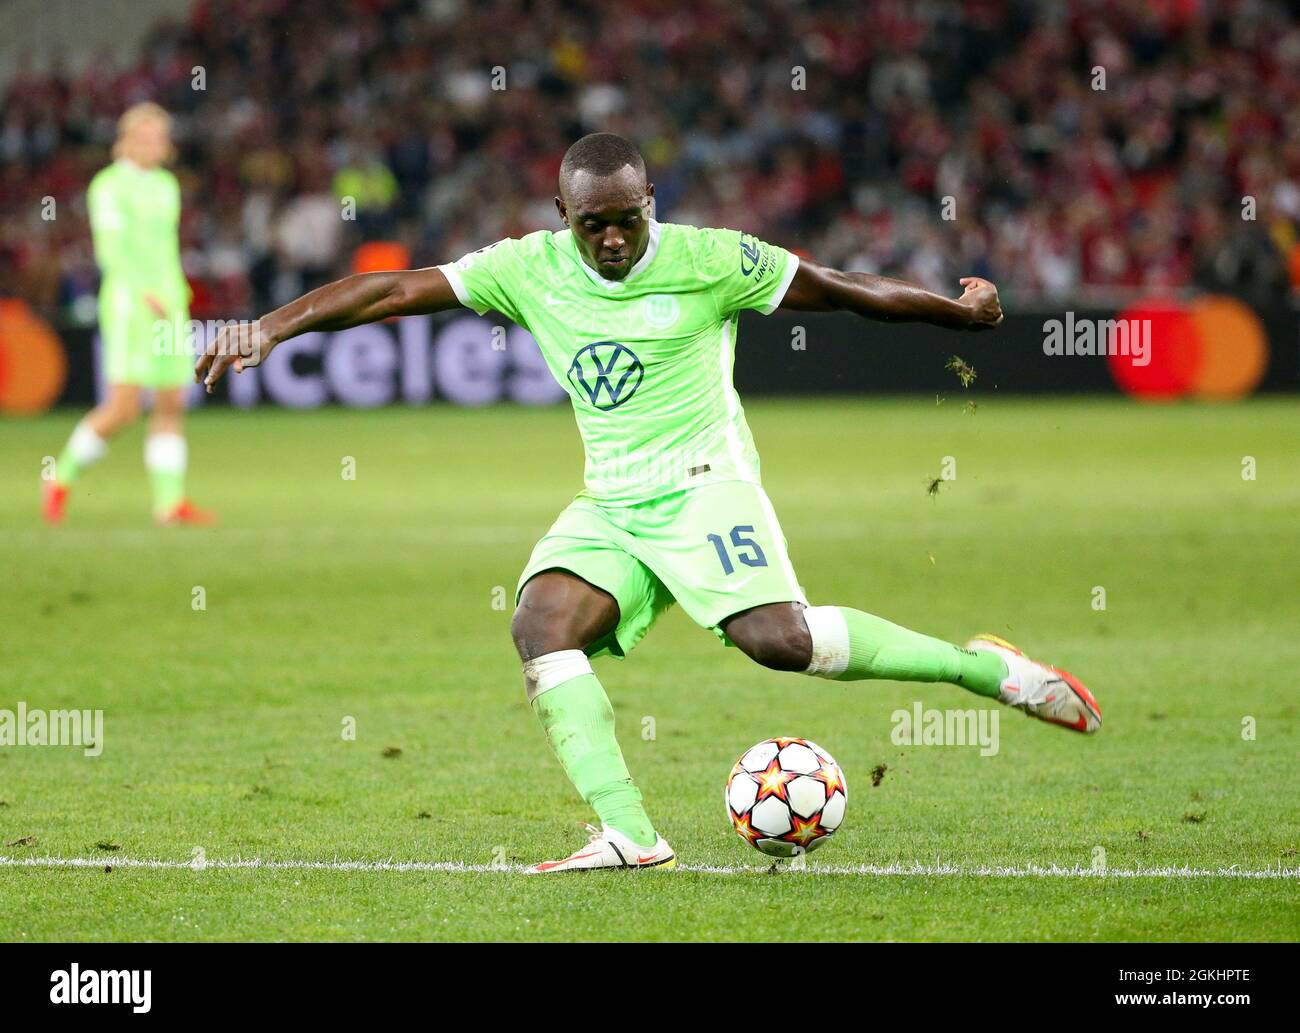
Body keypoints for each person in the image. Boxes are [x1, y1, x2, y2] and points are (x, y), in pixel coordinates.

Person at [196, 133, 1100, 873]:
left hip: (708, 490)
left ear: (650, 201)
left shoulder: (711, 260)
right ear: (564, 216)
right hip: (612, 504)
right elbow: (395, 288)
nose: (614, 240)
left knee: (778, 644)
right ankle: (631, 832)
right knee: (540, 626)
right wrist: (269, 326)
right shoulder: (529, 267)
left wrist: (957, 312)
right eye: (595, 225)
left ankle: (984, 669)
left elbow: (840, 291)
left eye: (629, 219)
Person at [44, 102, 213, 526]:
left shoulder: (166, 185)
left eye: (161, 136)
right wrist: (144, 291)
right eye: (147, 136)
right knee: (124, 407)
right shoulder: (108, 186)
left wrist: (175, 294)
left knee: (172, 400)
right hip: (129, 304)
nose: (156, 144)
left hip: (169, 304)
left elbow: (165, 249)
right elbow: (111, 251)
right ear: (128, 138)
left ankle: (169, 503)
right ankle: (60, 475)